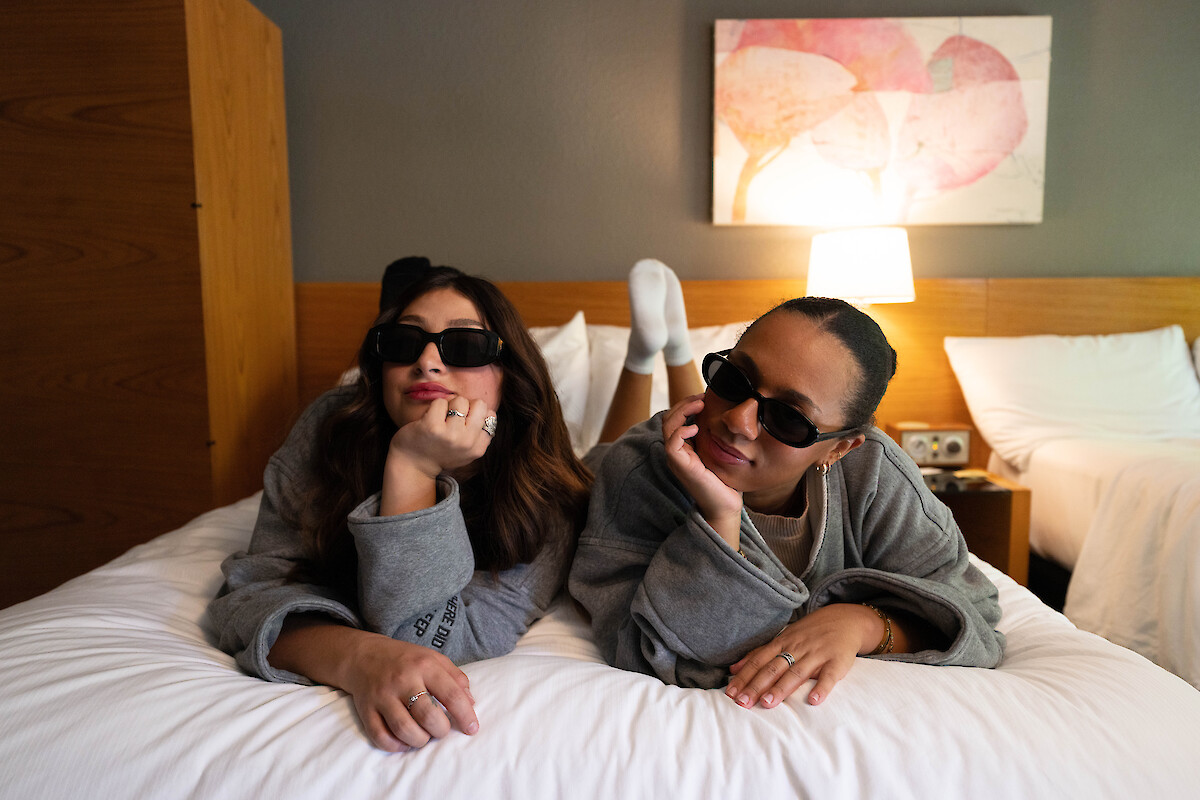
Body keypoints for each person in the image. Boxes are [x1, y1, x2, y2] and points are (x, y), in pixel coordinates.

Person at [569, 259, 1004, 710]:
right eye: (733, 379)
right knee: (608, 452)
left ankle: (672, 347)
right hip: (607, 466)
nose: (739, 419)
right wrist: (721, 519)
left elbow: (977, 615)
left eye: (789, 419)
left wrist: (860, 624)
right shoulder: (637, 472)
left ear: (839, 449)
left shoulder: (875, 476)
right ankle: (647, 353)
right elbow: (648, 653)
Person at [209, 265, 591, 751]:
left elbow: (428, 642)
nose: (428, 361)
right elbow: (247, 595)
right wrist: (357, 656)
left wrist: (413, 469)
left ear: (509, 376)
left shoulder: (550, 498)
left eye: (466, 346)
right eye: (403, 342)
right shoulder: (333, 427)